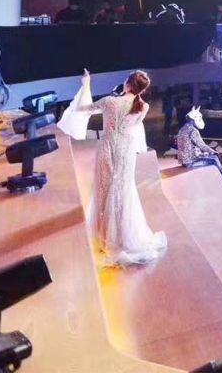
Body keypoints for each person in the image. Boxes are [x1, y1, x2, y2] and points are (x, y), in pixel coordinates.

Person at [57, 69, 167, 267]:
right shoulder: (144, 107)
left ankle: (106, 237)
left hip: (108, 148)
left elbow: (83, 108)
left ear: (128, 85)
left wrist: (86, 84)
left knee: (105, 189)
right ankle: (122, 236)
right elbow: (133, 126)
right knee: (123, 189)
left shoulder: (109, 101)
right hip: (126, 150)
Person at [175, 106, 222, 186]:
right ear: (194, 119)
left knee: (209, 157)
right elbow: (202, 145)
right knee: (214, 159)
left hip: (184, 161)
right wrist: (213, 151)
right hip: (191, 162)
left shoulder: (182, 129)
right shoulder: (193, 130)